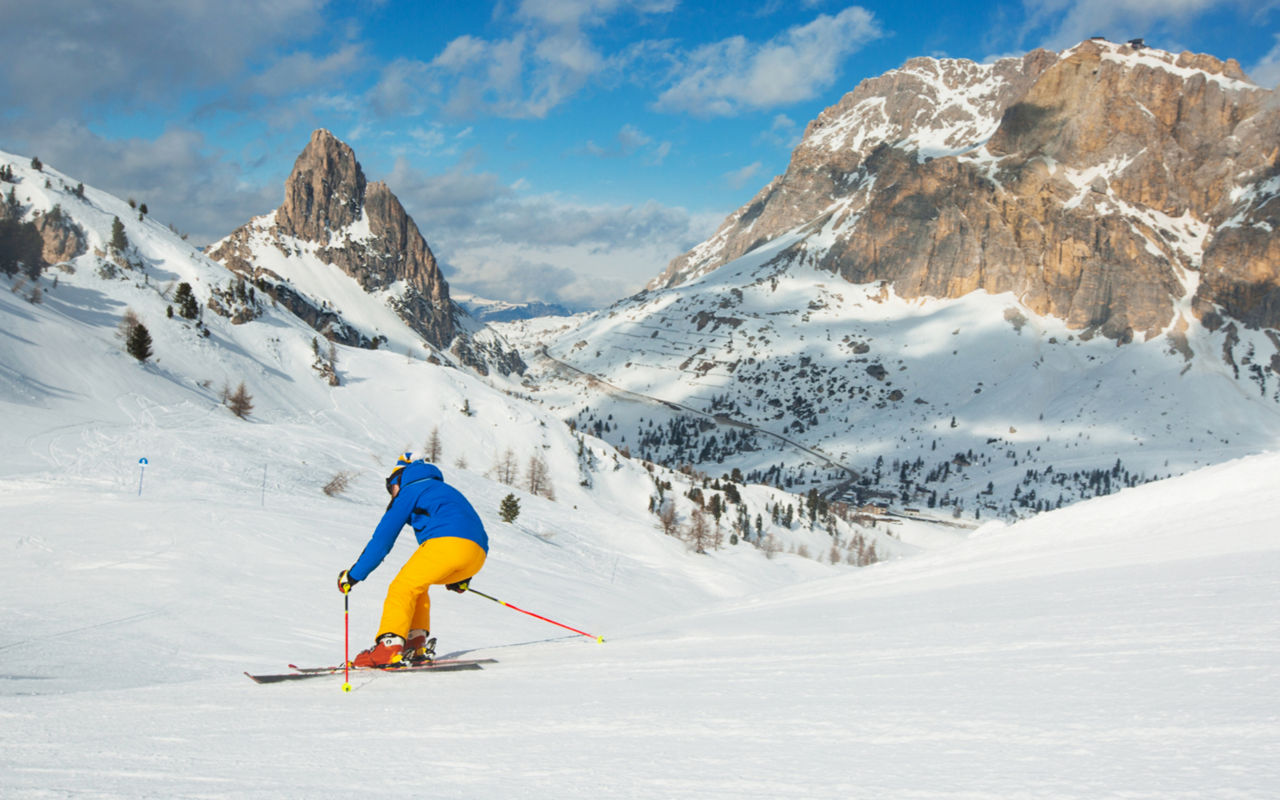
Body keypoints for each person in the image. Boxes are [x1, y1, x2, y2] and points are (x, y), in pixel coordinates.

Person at [337, 453, 489, 667]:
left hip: (446, 544)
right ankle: (414, 643)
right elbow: (471, 526)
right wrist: (463, 576)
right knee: (417, 585)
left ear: (398, 478)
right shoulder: (446, 491)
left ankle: (388, 646)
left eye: (391, 488)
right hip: (477, 554)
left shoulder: (411, 489)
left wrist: (353, 575)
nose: (391, 494)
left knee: (402, 587)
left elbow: (383, 539)